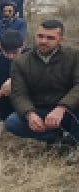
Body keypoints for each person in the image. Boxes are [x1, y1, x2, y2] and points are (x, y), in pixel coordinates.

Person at [5, 20, 79, 150]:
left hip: (70, 110)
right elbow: (19, 94)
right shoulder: (21, 62)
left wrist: (62, 107)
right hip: (40, 111)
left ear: (60, 40)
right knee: (13, 122)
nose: (43, 41)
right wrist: (30, 114)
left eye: (50, 38)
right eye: (40, 36)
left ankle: (71, 143)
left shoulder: (74, 57)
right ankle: (54, 138)